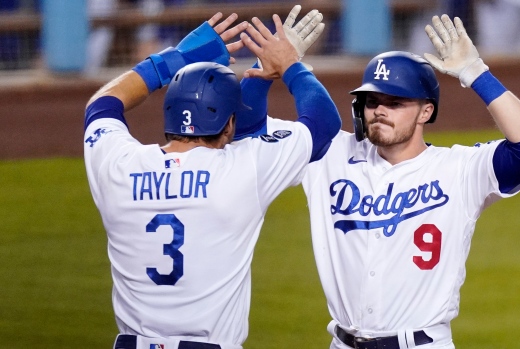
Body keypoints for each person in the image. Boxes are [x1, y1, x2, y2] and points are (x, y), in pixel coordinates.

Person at [240, 14, 520, 348]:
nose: (379, 110)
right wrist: (264, 70)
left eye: (395, 102)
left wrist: (476, 74)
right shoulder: (326, 152)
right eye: (372, 101)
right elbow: (243, 132)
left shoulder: (459, 170)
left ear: (425, 112)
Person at [83, 6, 339, 349]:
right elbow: (322, 125)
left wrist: (174, 59)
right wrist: (288, 65)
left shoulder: (118, 166)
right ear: (229, 125)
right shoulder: (242, 171)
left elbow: (103, 105)